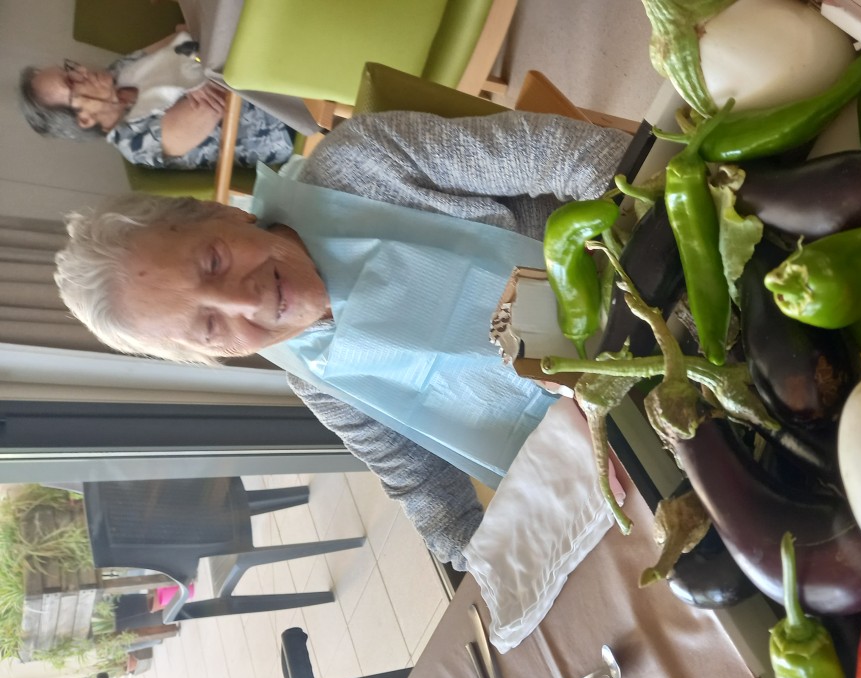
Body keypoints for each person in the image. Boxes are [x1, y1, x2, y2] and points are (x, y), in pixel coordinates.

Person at [54, 109, 631, 569]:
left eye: (213, 261)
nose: (245, 301)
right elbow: (429, 496)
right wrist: (490, 569)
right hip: (626, 443)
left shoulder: (361, 164)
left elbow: (575, 156)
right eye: (208, 325)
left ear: (222, 213)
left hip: (639, 287)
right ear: (214, 356)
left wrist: (650, 253)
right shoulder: (321, 382)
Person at [19, 29, 294, 170]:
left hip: (263, 69)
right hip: (281, 116)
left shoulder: (119, 71)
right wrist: (192, 63)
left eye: (68, 68)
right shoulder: (138, 142)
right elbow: (218, 99)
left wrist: (192, 67)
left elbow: (183, 36)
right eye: (71, 82)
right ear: (85, 119)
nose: (81, 71)